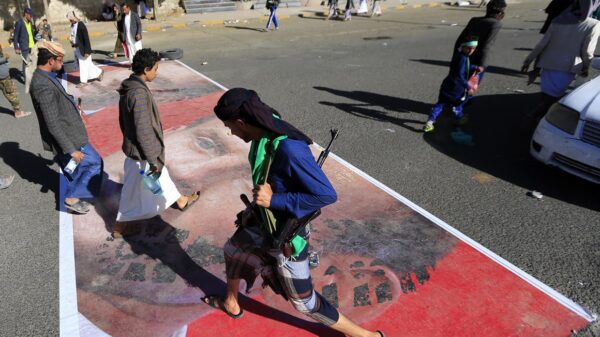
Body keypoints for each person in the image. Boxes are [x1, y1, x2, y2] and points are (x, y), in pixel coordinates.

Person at [203, 88, 386, 337]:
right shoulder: (261, 131)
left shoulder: (289, 150)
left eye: (229, 126)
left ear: (241, 122)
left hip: (286, 232)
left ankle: (366, 336)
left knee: (304, 302)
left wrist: (274, 199)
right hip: (262, 220)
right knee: (233, 251)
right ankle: (231, 302)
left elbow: (325, 195)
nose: (230, 132)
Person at [114, 48, 200, 237]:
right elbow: (142, 129)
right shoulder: (138, 94)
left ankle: (180, 200)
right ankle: (119, 227)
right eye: (155, 68)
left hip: (140, 150)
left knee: (163, 177)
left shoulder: (130, 86)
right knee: (131, 191)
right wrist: (153, 158)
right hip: (141, 154)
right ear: (146, 69)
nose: (157, 72)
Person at [29, 40, 104, 214]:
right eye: (60, 60)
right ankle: (71, 197)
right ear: (50, 61)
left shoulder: (45, 76)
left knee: (75, 170)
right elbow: (52, 122)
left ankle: (77, 196)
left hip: (68, 134)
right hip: (68, 139)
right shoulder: (42, 84)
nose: (62, 63)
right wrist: (71, 150)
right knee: (94, 163)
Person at [522, 4, 600, 127]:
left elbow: (542, 44)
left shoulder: (559, 20)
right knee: (554, 96)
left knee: (547, 93)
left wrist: (528, 60)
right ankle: (540, 117)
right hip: (567, 67)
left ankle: (538, 116)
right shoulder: (594, 24)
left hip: (548, 63)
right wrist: (586, 66)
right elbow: (587, 51)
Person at [424, 37, 479, 133]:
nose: (471, 50)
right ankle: (459, 119)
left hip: (447, 84)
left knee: (440, 104)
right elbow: (460, 75)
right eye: (469, 48)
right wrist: (468, 87)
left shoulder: (458, 54)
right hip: (457, 87)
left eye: (473, 48)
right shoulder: (463, 57)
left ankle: (429, 123)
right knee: (457, 105)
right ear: (463, 47)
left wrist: (474, 67)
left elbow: (460, 67)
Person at [452, 0, 506, 100]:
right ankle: (457, 110)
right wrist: (482, 65)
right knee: (469, 87)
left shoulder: (474, 20)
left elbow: (460, 40)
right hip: (476, 62)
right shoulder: (496, 24)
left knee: (458, 83)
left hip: (463, 57)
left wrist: (455, 56)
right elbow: (487, 46)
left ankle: (450, 106)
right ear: (501, 12)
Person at [67, 11, 104, 88]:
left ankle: (83, 81)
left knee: (83, 65)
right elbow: (73, 35)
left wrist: (87, 51)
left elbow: (86, 39)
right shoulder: (73, 25)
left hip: (83, 49)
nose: (70, 21)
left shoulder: (81, 25)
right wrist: (71, 41)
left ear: (74, 17)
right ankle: (99, 72)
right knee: (88, 64)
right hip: (77, 48)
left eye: (71, 19)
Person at [0, 43, 32, 118]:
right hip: (4, 78)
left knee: (10, 92)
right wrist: (5, 58)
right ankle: (18, 112)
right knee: (11, 93)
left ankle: (17, 111)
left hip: (4, 77)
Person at [13, 8, 36, 83]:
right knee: (26, 64)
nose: (31, 17)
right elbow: (15, 36)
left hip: (32, 46)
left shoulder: (30, 23)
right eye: (30, 15)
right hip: (25, 47)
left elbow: (31, 34)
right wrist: (16, 47)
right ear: (26, 14)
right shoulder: (19, 23)